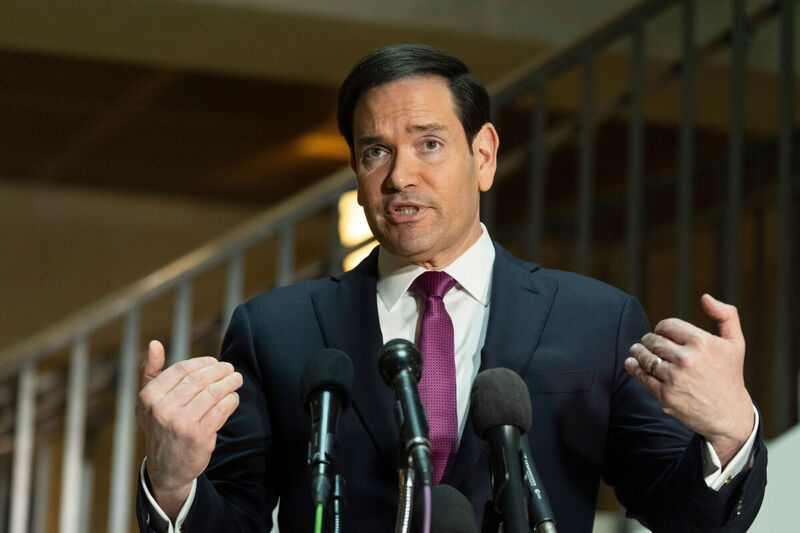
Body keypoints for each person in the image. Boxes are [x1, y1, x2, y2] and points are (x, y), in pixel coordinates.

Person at [135, 44, 766, 532]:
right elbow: (233, 519)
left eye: (429, 144)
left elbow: (687, 517)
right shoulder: (276, 329)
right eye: (375, 151)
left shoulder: (595, 319)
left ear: (484, 155)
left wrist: (730, 429)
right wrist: (171, 481)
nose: (400, 175)